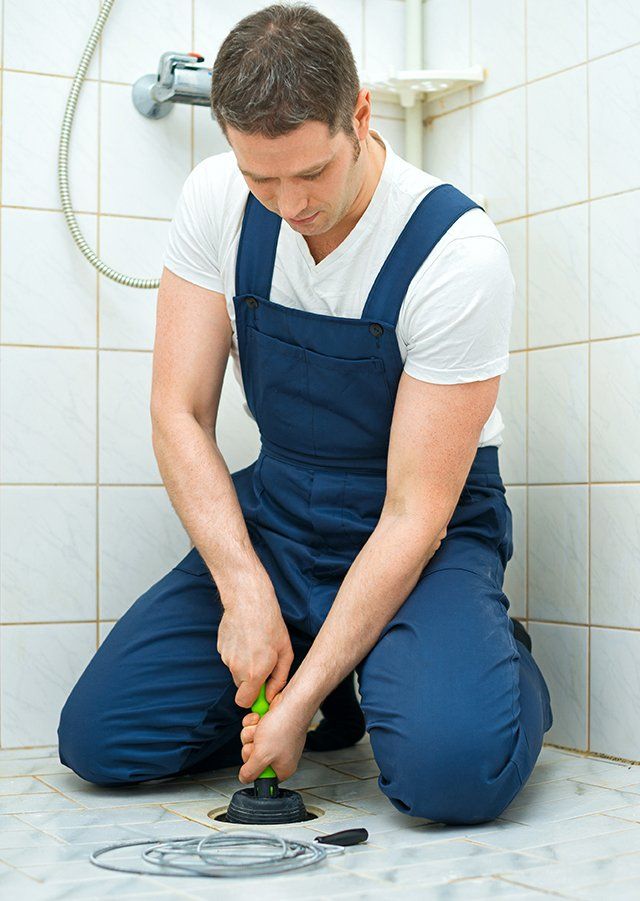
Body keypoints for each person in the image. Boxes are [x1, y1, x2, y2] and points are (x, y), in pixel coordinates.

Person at [57, 3, 552, 825]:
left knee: (452, 773)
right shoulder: (216, 198)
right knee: (102, 741)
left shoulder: (455, 253)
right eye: (261, 177)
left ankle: (489, 663)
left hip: (421, 530)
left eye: (312, 173)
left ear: (359, 114)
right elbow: (177, 410)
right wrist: (244, 586)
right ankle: (350, 678)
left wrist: (297, 702)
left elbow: (412, 513)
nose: (289, 204)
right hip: (281, 516)